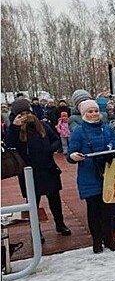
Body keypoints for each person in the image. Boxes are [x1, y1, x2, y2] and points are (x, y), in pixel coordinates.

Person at [7, 98, 71, 242]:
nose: (25, 116)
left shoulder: (41, 125)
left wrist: (50, 149)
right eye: (21, 114)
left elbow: (56, 139)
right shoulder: (14, 130)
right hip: (29, 171)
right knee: (33, 203)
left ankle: (60, 224)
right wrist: (15, 127)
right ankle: (36, 230)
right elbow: (10, 145)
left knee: (55, 199)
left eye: (27, 113)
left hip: (47, 168)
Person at [67, 99, 115, 253]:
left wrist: (112, 148)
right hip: (89, 175)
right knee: (93, 210)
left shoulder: (106, 128)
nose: (94, 114)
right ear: (84, 113)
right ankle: (97, 240)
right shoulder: (78, 131)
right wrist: (74, 156)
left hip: (107, 173)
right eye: (90, 111)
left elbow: (114, 142)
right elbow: (71, 152)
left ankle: (109, 239)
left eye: (96, 111)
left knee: (107, 209)